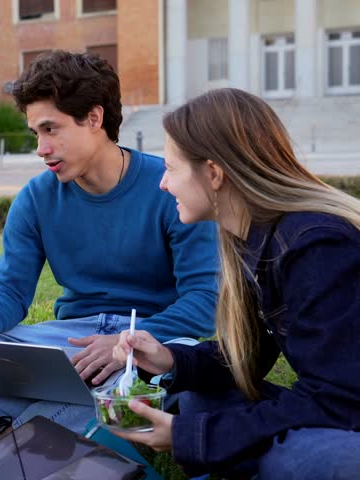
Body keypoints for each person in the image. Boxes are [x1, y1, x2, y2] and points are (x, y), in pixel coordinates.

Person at [0, 50, 219, 446]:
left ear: (94, 118)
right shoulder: (35, 198)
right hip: (71, 341)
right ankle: (60, 415)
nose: (41, 148)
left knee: (168, 365)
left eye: (51, 129)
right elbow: (12, 291)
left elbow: (204, 301)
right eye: (36, 133)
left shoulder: (170, 187)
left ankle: (6, 429)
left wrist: (128, 343)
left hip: (151, 337)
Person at [111, 88, 360, 479]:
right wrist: (170, 359)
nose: (163, 184)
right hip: (334, 404)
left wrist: (188, 437)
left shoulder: (317, 246)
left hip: (345, 416)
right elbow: (249, 357)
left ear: (213, 173)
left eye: (171, 169)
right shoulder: (251, 236)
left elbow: (339, 400)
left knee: (304, 459)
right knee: (198, 398)